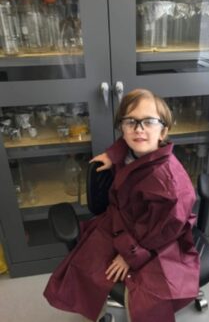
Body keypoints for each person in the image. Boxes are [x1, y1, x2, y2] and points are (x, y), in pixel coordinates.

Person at [44, 89, 200, 322]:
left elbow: (162, 230)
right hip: (123, 222)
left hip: (156, 239)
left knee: (149, 296)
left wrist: (130, 255)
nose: (139, 129)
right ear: (122, 128)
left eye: (149, 121)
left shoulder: (169, 184)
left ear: (163, 131)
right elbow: (127, 142)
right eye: (131, 122)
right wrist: (112, 153)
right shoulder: (133, 149)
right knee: (83, 265)